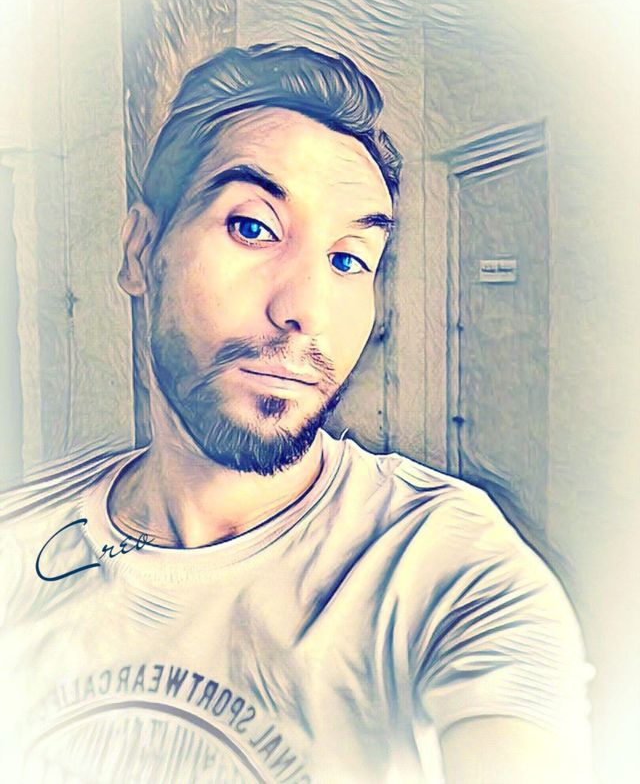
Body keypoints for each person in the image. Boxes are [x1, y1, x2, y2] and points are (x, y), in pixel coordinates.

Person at [0, 44, 592, 783]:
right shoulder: (19, 540)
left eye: (348, 260)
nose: (304, 310)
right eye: (253, 227)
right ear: (141, 251)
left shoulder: (443, 564)